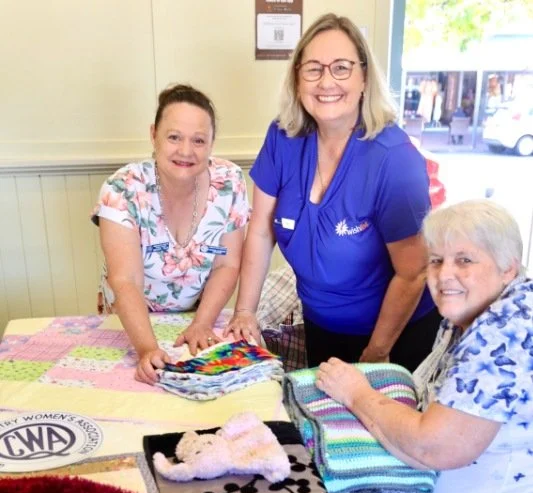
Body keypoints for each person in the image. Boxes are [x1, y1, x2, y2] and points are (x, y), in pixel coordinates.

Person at [314, 200, 533, 493]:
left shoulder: (505, 334)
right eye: (436, 261)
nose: (444, 275)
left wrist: (358, 395)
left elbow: (435, 448)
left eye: (464, 260)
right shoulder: (477, 312)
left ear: (508, 268)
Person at [225, 13, 440, 371]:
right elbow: (261, 230)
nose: (327, 81)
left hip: (395, 335)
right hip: (322, 326)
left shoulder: (394, 160)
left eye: (341, 68)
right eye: (313, 68)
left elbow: (413, 272)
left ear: (364, 77)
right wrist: (245, 311)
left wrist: (375, 354)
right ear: (297, 78)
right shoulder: (282, 137)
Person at [92, 84, 249, 384]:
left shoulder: (230, 182)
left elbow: (226, 265)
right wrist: (147, 349)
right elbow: (126, 280)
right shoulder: (122, 188)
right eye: (174, 137)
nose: (186, 151)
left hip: (198, 314)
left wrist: (202, 323)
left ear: (212, 143)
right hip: (133, 318)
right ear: (154, 135)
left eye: (199, 140)